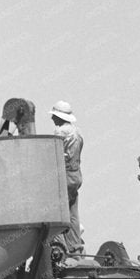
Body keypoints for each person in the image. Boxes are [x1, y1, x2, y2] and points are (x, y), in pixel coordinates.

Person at [51, 100, 85, 257]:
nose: (52, 119)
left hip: (64, 175)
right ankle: (75, 248)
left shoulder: (60, 132)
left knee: (55, 213)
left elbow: (54, 154)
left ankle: (61, 249)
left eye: (54, 116)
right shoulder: (77, 132)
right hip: (76, 174)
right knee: (72, 212)